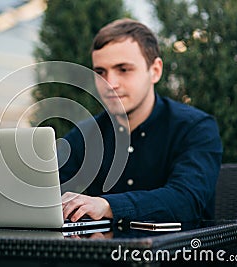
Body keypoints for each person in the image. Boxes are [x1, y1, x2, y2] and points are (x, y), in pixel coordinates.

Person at [59, 18, 223, 225]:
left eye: (124, 69)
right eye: (100, 72)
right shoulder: (86, 134)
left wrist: (107, 206)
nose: (109, 83)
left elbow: (186, 200)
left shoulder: (195, 128)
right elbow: (47, 187)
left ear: (155, 70)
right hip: (103, 253)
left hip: (179, 253)